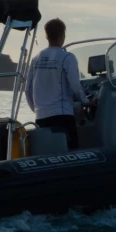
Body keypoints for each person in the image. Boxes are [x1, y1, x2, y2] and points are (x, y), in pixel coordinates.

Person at [25, 18, 96, 150]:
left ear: (47, 36)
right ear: (63, 35)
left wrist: (37, 110)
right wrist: (87, 101)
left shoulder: (35, 59)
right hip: (62, 117)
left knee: (48, 152)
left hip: (40, 118)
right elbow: (75, 86)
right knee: (71, 151)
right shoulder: (67, 57)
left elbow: (27, 90)